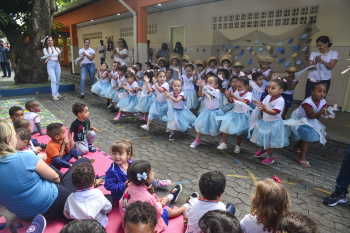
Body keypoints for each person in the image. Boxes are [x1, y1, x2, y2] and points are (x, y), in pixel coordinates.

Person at [0, 120, 91, 220]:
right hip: (51, 206)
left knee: (47, 167)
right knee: (84, 160)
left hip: (26, 216)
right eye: (14, 135)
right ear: (8, 138)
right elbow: (56, 178)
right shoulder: (22, 157)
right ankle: (73, 194)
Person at [119, 160, 185, 233]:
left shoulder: (129, 187)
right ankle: (185, 207)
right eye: (151, 172)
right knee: (166, 211)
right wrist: (159, 204)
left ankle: (171, 196)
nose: (153, 173)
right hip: (141, 227)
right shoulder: (147, 197)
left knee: (159, 201)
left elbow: (121, 203)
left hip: (129, 225)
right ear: (145, 178)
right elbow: (159, 212)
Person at [285, 82, 328, 168]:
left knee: (306, 135)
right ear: (312, 92)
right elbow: (310, 115)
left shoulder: (323, 101)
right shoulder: (308, 102)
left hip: (309, 120)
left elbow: (323, 112)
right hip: (300, 119)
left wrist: (327, 113)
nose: (322, 94)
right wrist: (321, 113)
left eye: (324, 92)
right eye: (319, 91)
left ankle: (294, 148)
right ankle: (301, 158)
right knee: (307, 136)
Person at [249, 79, 291, 165]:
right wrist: (258, 104)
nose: (270, 90)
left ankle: (270, 157)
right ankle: (262, 150)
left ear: (281, 90)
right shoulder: (268, 97)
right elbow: (263, 105)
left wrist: (264, 109)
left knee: (270, 142)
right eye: (269, 87)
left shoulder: (280, 100)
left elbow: (275, 112)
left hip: (274, 124)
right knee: (263, 137)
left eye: (273, 88)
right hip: (265, 122)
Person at [64, 162, 112, 227]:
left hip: (79, 226)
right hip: (97, 225)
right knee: (109, 197)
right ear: (93, 182)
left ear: (73, 182)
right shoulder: (97, 193)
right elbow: (108, 208)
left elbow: (66, 214)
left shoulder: (70, 197)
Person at [217, 76, 252, 153]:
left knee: (239, 132)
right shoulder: (236, 92)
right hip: (233, 113)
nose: (237, 88)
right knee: (225, 125)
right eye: (237, 86)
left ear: (246, 87)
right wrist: (228, 96)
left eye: (240, 87)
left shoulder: (248, 94)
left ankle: (238, 146)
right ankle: (224, 143)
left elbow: (246, 102)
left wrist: (234, 96)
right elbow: (231, 101)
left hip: (242, 115)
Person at [190, 76, 224, 149]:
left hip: (216, 112)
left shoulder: (217, 91)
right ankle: (197, 140)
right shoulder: (206, 89)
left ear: (216, 85)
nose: (208, 84)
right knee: (200, 125)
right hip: (207, 112)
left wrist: (204, 86)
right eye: (207, 82)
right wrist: (200, 87)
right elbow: (200, 95)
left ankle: (223, 140)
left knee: (219, 127)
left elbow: (211, 95)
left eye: (210, 83)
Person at [43, 36, 62, 101]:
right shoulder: (45, 49)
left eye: (51, 40)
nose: (51, 42)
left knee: (57, 79)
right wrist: (51, 53)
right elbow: (46, 57)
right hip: (50, 64)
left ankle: (57, 92)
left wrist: (60, 52)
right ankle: (54, 95)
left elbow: (60, 55)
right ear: (46, 42)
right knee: (53, 79)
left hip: (57, 64)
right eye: (49, 40)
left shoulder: (56, 48)